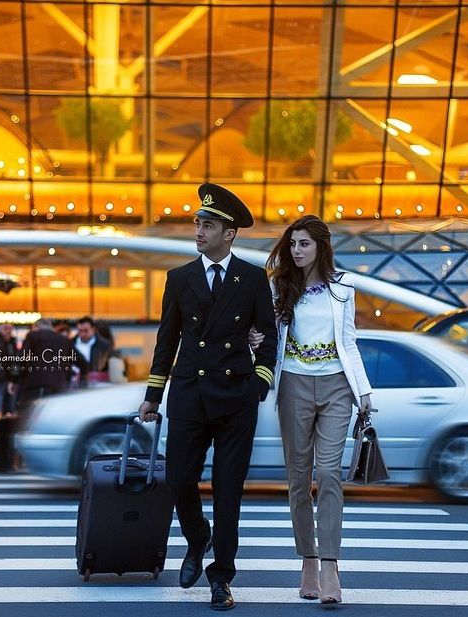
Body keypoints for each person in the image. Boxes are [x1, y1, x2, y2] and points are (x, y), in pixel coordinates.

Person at [139, 183, 277, 611]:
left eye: (209, 224)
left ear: (229, 233)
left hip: (236, 397)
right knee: (179, 479)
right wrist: (152, 396)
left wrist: (258, 383)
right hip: (189, 394)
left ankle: (221, 578)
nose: (199, 231)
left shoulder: (253, 278)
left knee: (229, 491)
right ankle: (198, 537)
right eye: (198, 223)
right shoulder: (179, 278)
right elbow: (167, 341)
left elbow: (268, 339)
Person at [251, 215, 373, 604]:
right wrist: (256, 342)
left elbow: (349, 341)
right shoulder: (279, 285)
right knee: (299, 478)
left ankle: (330, 566)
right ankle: (308, 559)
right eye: (293, 244)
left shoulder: (344, 286)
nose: (297, 251)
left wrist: (363, 391)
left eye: (304, 244)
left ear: (321, 246)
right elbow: (270, 336)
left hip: (337, 385)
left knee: (329, 473)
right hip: (293, 385)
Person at [72, 316, 126, 383]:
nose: (82, 334)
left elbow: (115, 363)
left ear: (93, 329)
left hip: (95, 384)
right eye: (80, 331)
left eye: (86, 331)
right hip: (72, 383)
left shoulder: (105, 346)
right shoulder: (70, 343)